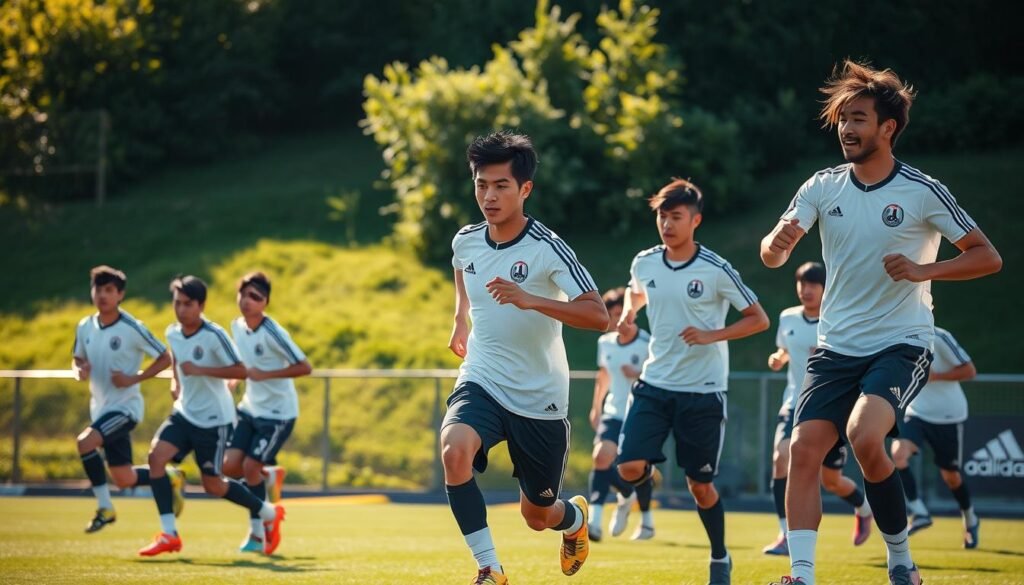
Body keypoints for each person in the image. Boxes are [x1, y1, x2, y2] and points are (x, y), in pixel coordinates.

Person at [760, 60, 1001, 585]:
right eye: (843, 119)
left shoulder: (922, 190)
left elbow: (987, 256)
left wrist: (924, 270)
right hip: (835, 348)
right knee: (802, 450)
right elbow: (772, 254)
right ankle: (801, 576)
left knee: (865, 436)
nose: (846, 128)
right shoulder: (822, 186)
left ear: (887, 128)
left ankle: (900, 560)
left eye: (859, 118)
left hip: (901, 343)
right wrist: (776, 245)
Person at [442, 131, 609, 584]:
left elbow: (599, 315)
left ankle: (573, 519)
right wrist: (460, 318)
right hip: (482, 377)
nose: (489, 197)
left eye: (501, 186)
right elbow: (461, 268)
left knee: (536, 515)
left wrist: (532, 299)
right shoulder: (466, 240)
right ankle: (489, 569)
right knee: (454, 451)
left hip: (539, 397)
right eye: (481, 185)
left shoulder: (546, 248)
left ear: (525, 189)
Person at [617, 178, 770, 585]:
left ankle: (720, 556)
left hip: (702, 393)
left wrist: (711, 335)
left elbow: (758, 319)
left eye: (676, 217)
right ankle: (646, 474)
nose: (667, 225)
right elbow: (637, 291)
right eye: (662, 217)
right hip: (654, 384)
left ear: (695, 221)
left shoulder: (716, 269)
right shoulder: (645, 262)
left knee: (700, 486)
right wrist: (629, 312)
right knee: (629, 466)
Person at [138, 275, 285, 557]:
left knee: (213, 485)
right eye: (177, 303)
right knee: (156, 458)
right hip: (184, 413)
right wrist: (176, 383)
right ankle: (169, 534)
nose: (181, 309)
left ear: (201, 306)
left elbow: (241, 370)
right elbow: (177, 360)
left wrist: (202, 370)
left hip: (214, 421)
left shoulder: (214, 335)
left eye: (187, 304)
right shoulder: (173, 332)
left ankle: (268, 512)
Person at [762, 262, 872, 556]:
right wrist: (779, 357)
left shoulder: (838, 320)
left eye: (813, 284)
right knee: (781, 457)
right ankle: (785, 534)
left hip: (829, 408)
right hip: (795, 403)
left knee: (830, 481)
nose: (806, 290)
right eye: (802, 283)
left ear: (826, 288)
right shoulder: (787, 317)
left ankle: (863, 508)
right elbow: (785, 348)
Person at [72, 265, 175, 532]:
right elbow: (77, 357)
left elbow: (165, 357)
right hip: (100, 410)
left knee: (85, 443)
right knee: (124, 478)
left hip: (125, 409)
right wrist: (79, 369)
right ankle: (170, 478)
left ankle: (105, 508)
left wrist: (135, 378)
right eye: (98, 289)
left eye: (109, 290)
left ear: (120, 295)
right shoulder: (85, 326)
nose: (102, 295)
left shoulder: (132, 327)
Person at [223, 271, 312, 553]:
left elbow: (304, 367)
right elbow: (242, 359)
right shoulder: (237, 326)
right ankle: (268, 476)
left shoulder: (273, 332)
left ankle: (258, 533)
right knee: (228, 467)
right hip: (250, 408)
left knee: (249, 468)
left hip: (278, 414)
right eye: (243, 294)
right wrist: (234, 379)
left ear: (265, 302)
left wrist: (266, 374)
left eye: (255, 297)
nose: (247, 301)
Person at [890, 326, 980, 548]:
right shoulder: (893, 335)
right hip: (916, 413)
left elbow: (970, 371)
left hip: (948, 415)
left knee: (951, 477)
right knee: (898, 454)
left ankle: (970, 519)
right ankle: (919, 512)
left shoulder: (939, 336)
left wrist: (936, 376)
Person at [587, 287, 652, 542]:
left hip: (640, 414)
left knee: (636, 468)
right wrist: (596, 407)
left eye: (620, 314)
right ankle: (594, 522)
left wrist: (637, 374)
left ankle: (646, 521)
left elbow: (660, 378)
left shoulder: (648, 343)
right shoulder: (605, 343)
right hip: (613, 412)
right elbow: (603, 375)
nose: (617, 321)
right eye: (612, 316)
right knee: (601, 457)